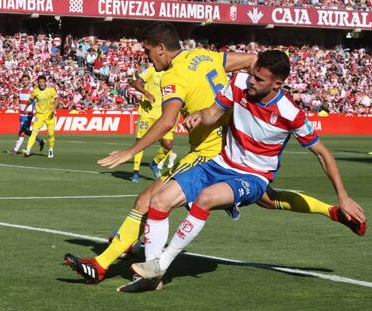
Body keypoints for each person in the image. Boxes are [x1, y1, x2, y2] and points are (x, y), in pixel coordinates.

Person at [64, 23, 365, 292]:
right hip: (225, 153)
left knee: (151, 199)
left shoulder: (175, 77)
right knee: (265, 200)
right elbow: (245, 68)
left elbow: (168, 121)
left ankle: (116, 265)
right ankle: (332, 212)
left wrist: (131, 151)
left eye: (147, 53)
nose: (148, 59)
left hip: (214, 152)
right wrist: (210, 112)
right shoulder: (209, 58)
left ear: (160, 48)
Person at [130, 50, 367, 285]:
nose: (251, 81)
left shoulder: (290, 114)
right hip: (219, 163)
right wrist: (201, 115)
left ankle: (162, 264)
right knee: (159, 200)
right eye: (252, 74)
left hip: (253, 177)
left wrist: (343, 196)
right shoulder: (239, 82)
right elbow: (214, 113)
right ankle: (152, 275)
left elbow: (323, 154)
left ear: (277, 84)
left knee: (206, 198)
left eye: (259, 79)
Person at [129, 65, 177, 183]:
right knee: (140, 142)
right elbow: (135, 83)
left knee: (168, 144)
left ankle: (154, 163)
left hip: (164, 114)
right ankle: (136, 172)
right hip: (148, 113)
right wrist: (146, 93)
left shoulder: (175, 73)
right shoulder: (152, 69)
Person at [22, 75, 58, 158]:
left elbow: (56, 100)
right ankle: (28, 150)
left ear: (45, 82)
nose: (41, 84)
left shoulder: (51, 90)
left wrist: (54, 108)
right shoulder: (35, 91)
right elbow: (30, 100)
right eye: (40, 82)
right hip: (39, 115)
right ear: (38, 83)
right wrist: (26, 108)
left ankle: (51, 149)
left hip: (49, 115)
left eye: (42, 82)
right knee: (34, 132)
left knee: (51, 134)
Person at [9, 74, 45, 155]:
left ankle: (15, 150)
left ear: (29, 81)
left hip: (28, 114)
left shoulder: (33, 90)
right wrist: (15, 106)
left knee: (21, 131)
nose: (24, 81)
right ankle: (40, 140)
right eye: (23, 80)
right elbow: (18, 100)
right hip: (21, 114)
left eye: (26, 80)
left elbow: (39, 98)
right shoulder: (20, 90)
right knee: (26, 131)